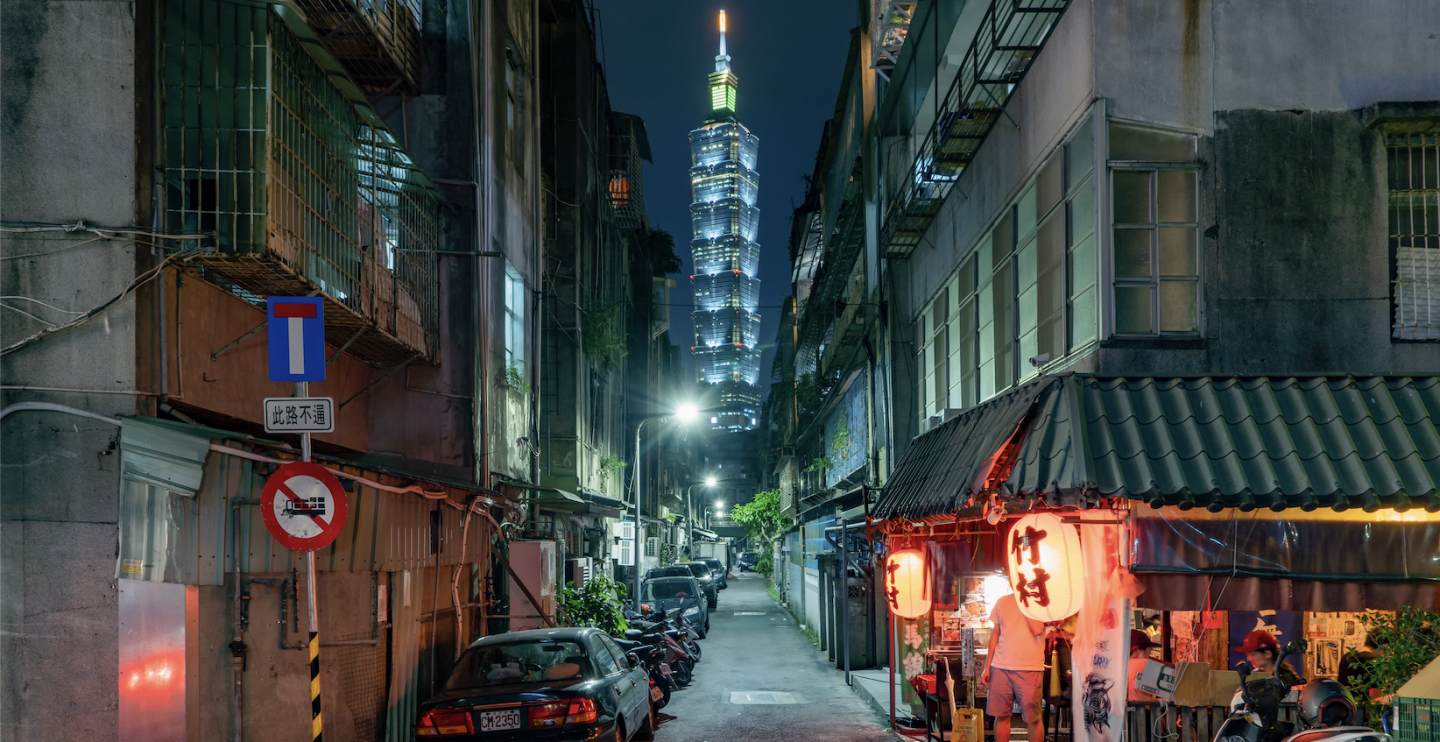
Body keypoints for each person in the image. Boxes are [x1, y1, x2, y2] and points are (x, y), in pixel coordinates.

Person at [981, 593, 1047, 742]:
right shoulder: (1002, 601)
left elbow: (1037, 629)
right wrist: (987, 667)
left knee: (1033, 718)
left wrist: (1024, 599)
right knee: (1001, 715)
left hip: (1030, 666)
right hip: (1000, 666)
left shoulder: (1040, 601)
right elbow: (996, 633)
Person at [1236, 630, 1302, 686]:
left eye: (1252, 654)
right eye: (1248, 655)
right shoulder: (1261, 677)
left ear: (1268, 654)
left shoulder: (1285, 679)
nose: (1249, 659)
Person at [1128, 629, 1160, 702]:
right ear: (1139, 651)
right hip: (1144, 711)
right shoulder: (1143, 663)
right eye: (1149, 652)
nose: (1149, 656)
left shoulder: (1120, 667)